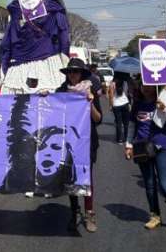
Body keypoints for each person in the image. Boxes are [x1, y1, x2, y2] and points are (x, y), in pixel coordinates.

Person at [1, 0, 70, 94]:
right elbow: (8, 41)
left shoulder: (55, 11)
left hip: (46, 65)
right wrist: (4, 67)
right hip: (18, 68)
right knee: (16, 109)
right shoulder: (16, 9)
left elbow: (64, 41)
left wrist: (65, 67)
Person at [125, 84, 166, 234]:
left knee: (165, 185)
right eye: (143, 84)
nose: (145, 88)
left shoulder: (163, 100)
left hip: (161, 146)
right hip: (141, 147)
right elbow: (132, 125)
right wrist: (128, 145)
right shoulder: (137, 104)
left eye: (149, 85)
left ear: (155, 86)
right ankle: (155, 216)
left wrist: (164, 109)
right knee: (149, 185)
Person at [57, 58, 102, 233]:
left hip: (87, 140)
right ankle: (74, 211)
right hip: (68, 141)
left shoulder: (90, 91)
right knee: (71, 177)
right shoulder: (60, 91)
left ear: (82, 73)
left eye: (76, 72)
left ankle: (89, 212)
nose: (72, 75)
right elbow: (51, 110)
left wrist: (89, 103)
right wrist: (45, 96)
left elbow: (98, 119)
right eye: (70, 72)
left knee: (86, 176)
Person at [108, 72, 131, 144]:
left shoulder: (112, 84)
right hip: (125, 103)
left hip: (116, 105)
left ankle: (119, 140)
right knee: (126, 123)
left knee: (119, 123)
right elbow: (127, 93)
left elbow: (111, 96)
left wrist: (111, 105)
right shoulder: (125, 82)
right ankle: (126, 138)